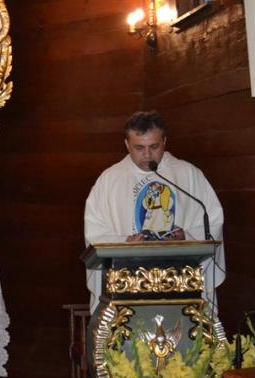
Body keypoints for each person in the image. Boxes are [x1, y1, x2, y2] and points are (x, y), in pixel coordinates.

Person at [84, 111, 225, 314]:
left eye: (154, 146)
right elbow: (94, 230)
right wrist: (125, 241)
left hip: (180, 279)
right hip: (128, 280)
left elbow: (212, 218)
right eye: (139, 148)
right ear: (127, 145)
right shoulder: (109, 180)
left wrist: (187, 236)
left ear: (165, 141)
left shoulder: (188, 174)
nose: (147, 155)